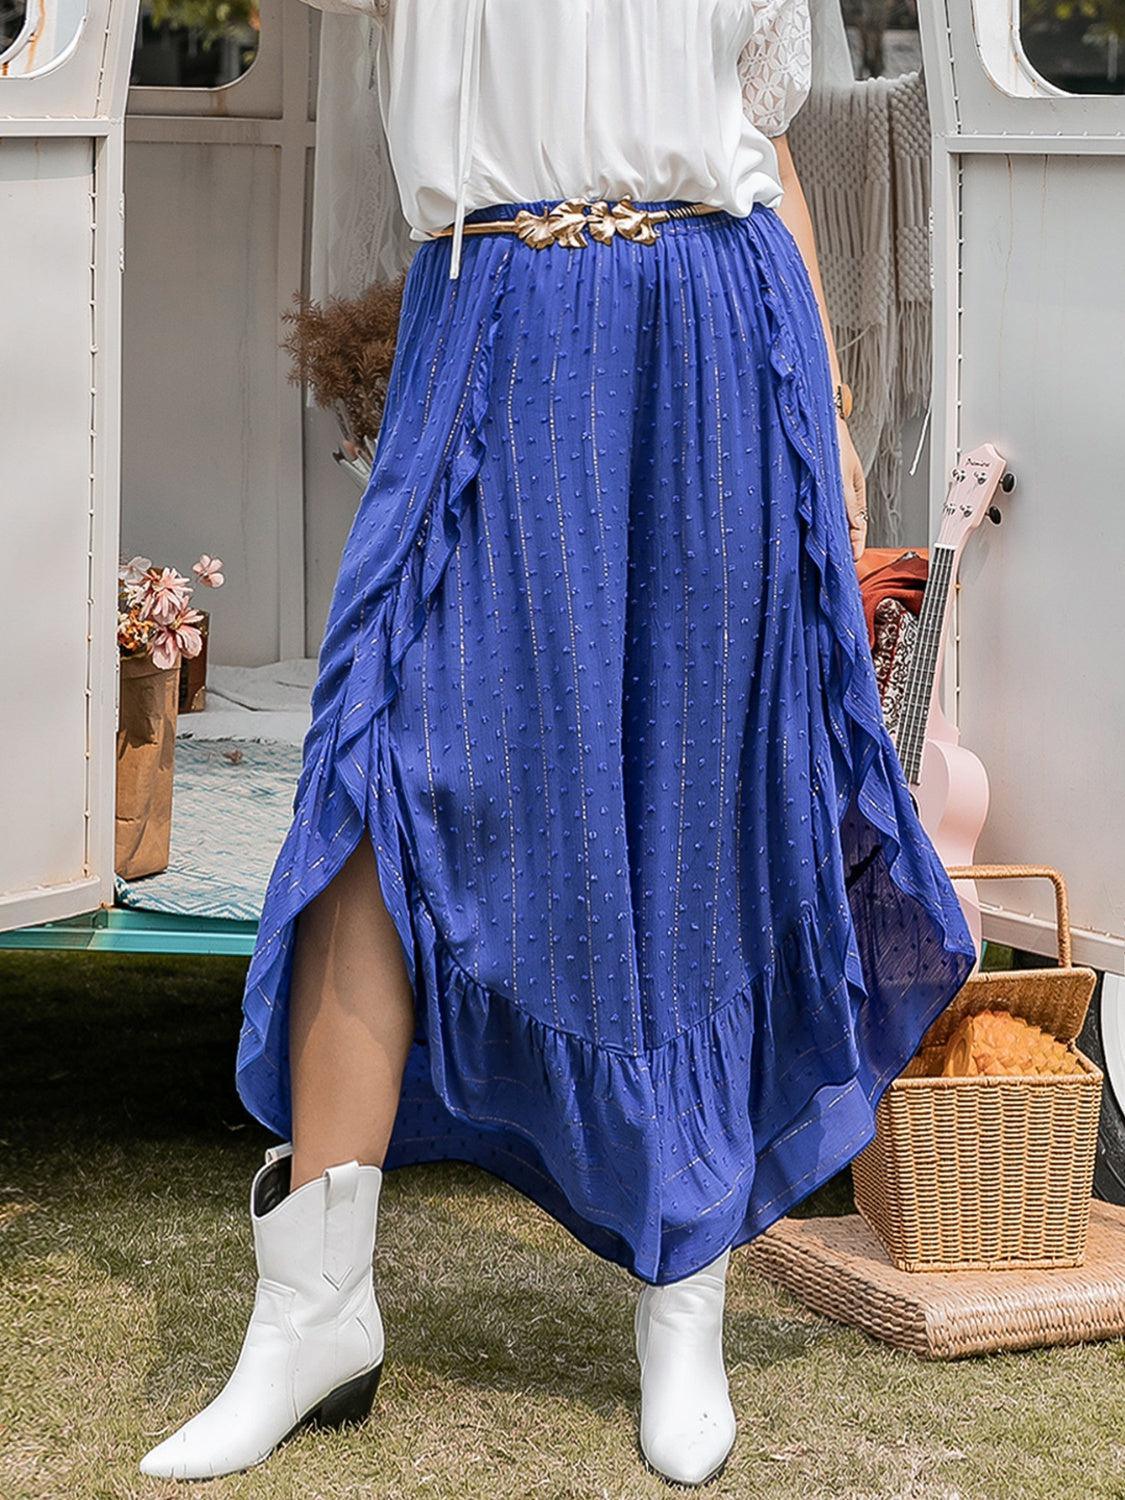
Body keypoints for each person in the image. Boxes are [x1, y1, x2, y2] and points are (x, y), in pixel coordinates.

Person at [140, 0, 978, 1488]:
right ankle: (311, 1312)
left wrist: (833, 421)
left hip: (719, 334)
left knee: (694, 800)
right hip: (494, 313)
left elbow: (757, 136)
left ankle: (682, 1293)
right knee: (380, 775)